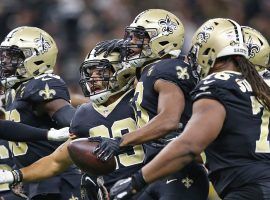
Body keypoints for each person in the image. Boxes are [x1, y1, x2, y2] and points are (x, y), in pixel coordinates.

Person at [109, 18, 270, 200]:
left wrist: (136, 181)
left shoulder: (217, 83)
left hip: (251, 190)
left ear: (207, 52)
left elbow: (189, 146)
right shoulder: (263, 87)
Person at [93, 9, 209, 200]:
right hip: (156, 170)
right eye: (130, 36)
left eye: (139, 37)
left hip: (179, 169)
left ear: (162, 40)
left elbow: (169, 120)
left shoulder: (166, 68)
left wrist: (121, 141)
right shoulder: (148, 73)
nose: (130, 42)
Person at [0, 48, 145, 200]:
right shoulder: (84, 114)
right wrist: (15, 175)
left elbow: (162, 129)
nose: (93, 78)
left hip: (147, 183)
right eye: (90, 72)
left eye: (100, 72)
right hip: (109, 192)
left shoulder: (141, 101)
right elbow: (56, 161)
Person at [0, 26, 81, 200]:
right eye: (5, 55)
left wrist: (78, 128)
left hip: (57, 180)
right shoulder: (14, 90)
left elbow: (71, 120)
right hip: (35, 179)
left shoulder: (41, 83)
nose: (5, 60)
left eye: (13, 55)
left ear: (36, 58)